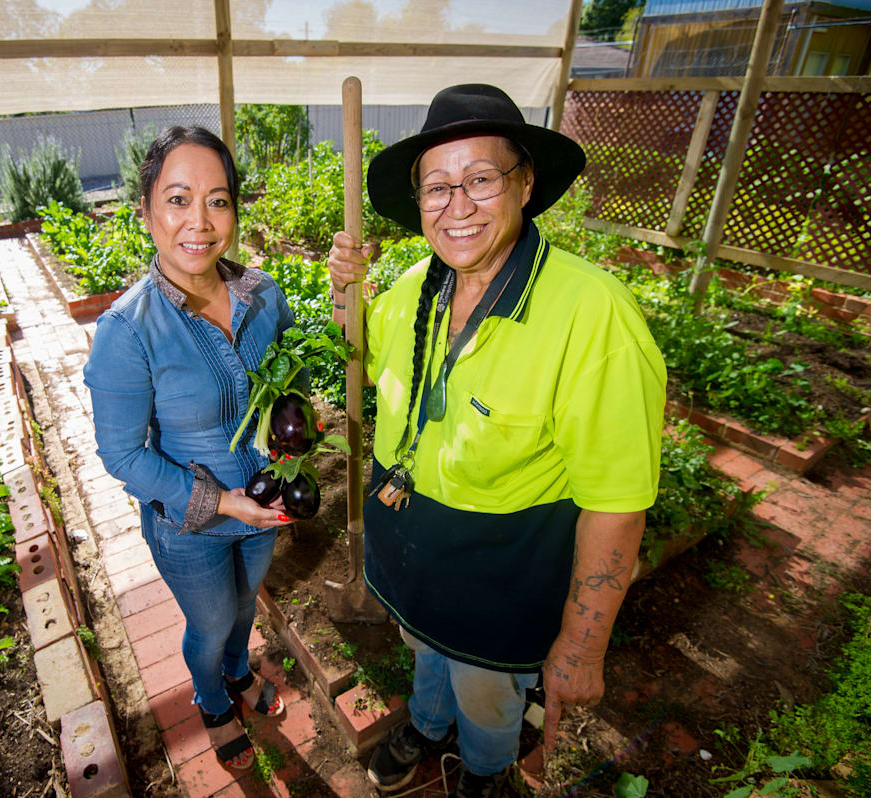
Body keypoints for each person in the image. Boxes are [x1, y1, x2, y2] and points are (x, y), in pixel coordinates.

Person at [326, 85, 667, 797]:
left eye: (480, 179)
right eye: (437, 186)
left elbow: (616, 501)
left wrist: (579, 645)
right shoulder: (418, 287)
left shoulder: (592, 316)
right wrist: (342, 295)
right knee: (425, 653)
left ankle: (485, 771)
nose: (457, 205)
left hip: (499, 578)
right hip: (415, 555)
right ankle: (426, 723)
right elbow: (358, 351)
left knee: (488, 694)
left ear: (526, 184)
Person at [84, 126, 294, 771]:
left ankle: (237, 672)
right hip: (191, 524)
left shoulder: (264, 296)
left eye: (218, 200)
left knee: (241, 616)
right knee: (208, 625)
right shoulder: (127, 329)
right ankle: (210, 697)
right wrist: (223, 502)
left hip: (265, 506)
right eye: (178, 199)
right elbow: (122, 456)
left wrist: (293, 436)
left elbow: (288, 383)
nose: (199, 222)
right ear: (146, 213)